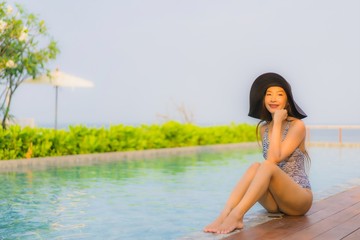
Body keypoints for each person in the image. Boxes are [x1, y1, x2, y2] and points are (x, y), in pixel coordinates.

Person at [203, 72, 312, 234]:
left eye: (279, 94)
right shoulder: (263, 129)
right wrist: (273, 123)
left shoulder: (297, 126)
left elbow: (273, 159)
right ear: (263, 99)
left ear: (287, 100)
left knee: (266, 165)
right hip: (275, 203)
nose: (273, 98)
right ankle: (225, 214)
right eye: (269, 94)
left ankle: (237, 215)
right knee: (255, 166)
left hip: (298, 200)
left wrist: (276, 122)